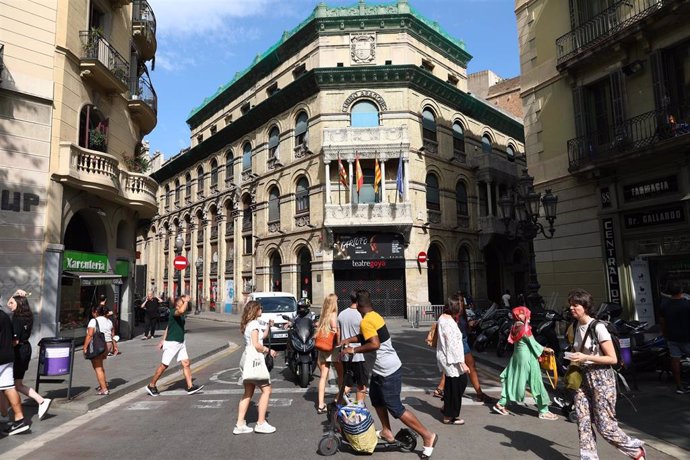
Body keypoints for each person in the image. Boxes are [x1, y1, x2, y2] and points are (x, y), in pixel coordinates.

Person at [339, 290, 438, 459]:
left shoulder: (366, 321)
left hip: (388, 370)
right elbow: (366, 336)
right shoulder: (374, 315)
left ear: (358, 305)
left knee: (395, 407)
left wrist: (353, 349)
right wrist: (349, 340)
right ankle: (387, 431)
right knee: (377, 400)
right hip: (380, 370)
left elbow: (375, 344)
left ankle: (427, 436)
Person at [567, 289, 646, 460]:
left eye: (575, 305)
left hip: (601, 378)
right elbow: (577, 349)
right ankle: (589, 457)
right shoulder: (575, 326)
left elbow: (613, 359)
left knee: (605, 426)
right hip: (583, 376)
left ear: (585, 307)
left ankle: (636, 451)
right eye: (570, 305)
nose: (571, 308)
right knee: (583, 421)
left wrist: (585, 357)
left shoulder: (598, 327)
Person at [492, 306, 558, 420]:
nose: (528, 315)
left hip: (517, 356)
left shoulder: (515, 325)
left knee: (513, 380)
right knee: (536, 382)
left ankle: (501, 403)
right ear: (520, 315)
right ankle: (543, 410)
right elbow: (532, 342)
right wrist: (545, 349)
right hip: (527, 357)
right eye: (525, 313)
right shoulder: (524, 328)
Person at [145, 295, 203, 396]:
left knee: (186, 363)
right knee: (164, 365)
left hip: (180, 342)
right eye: (182, 301)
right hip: (172, 342)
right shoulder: (174, 312)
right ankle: (151, 385)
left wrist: (162, 340)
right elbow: (180, 312)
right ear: (178, 303)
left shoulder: (181, 314)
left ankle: (190, 387)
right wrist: (186, 302)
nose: (185, 302)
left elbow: (168, 326)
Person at [234, 300, 277, 435]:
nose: (262, 310)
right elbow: (256, 345)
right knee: (267, 390)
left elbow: (261, 337)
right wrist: (269, 351)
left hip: (248, 360)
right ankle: (261, 423)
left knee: (248, 393)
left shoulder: (249, 324)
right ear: (255, 310)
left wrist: (269, 327)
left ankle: (240, 424)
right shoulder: (254, 324)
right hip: (255, 361)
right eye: (260, 308)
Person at [6, 293, 52, 419]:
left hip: (18, 351)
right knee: (17, 384)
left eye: (12, 303)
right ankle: (41, 401)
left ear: (19, 304)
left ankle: (14, 411)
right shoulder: (28, 316)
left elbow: (15, 341)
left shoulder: (16, 318)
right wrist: (16, 293)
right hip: (26, 349)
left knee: (10, 384)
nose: (9, 305)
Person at [436, 300, 470, 425]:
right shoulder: (447, 322)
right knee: (456, 384)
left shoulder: (446, 318)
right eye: (460, 308)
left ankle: (448, 408)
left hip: (450, 357)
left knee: (455, 384)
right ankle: (449, 415)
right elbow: (451, 345)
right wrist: (462, 363)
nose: (461, 310)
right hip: (451, 358)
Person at [0, 293, 29, 435]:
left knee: (8, 387)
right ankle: (19, 419)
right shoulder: (5, 316)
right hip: (8, 357)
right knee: (9, 387)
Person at [659, 282, 690, 394]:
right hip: (687, 336)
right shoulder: (687, 304)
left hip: (672, 336)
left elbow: (662, 322)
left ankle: (679, 385)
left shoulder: (665, 305)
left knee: (675, 360)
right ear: (681, 291)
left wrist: (665, 334)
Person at [338, 291, 367, 403]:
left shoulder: (342, 314)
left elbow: (339, 335)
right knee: (361, 385)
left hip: (346, 354)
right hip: (360, 355)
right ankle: (359, 407)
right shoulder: (361, 315)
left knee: (347, 384)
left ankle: (338, 403)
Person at [315, 293, 340, 414]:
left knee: (323, 377)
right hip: (332, 348)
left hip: (322, 347)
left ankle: (320, 404)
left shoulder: (323, 315)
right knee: (342, 374)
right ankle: (338, 399)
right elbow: (334, 330)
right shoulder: (333, 315)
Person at [82, 305, 113, 395]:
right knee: (100, 366)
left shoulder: (93, 321)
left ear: (95, 312)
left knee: (97, 367)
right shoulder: (109, 321)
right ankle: (103, 383)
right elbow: (111, 333)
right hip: (108, 344)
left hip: (98, 345)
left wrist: (85, 347)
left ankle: (104, 389)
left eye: (92, 312)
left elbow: (90, 334)